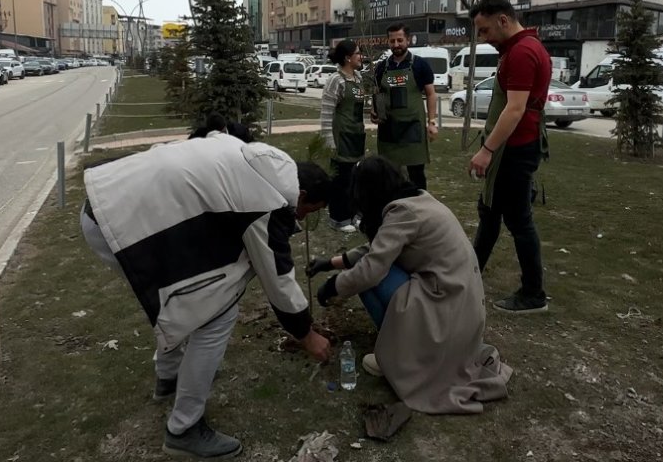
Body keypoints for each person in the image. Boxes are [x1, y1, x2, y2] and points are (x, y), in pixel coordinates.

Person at [80, 132, 333, 458]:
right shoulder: (267, 201)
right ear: (300, 194)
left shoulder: (251, 159)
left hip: (107, 201)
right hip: (120, 223)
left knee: (186, 296)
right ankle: (184, 428)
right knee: (215, 313)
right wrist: (306, 334)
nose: (303, 218)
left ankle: (168, 377)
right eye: (308, 210)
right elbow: (278, 278)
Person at [310, 156, 512, 414]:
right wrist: (329, 263)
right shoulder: (415, 199)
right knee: (372, 268)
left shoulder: (402, 212)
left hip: (447, 309)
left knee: (369, 278)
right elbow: (377, 248)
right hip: (460, 306)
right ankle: (405, 341)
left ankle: (403, 354)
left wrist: (332, 286)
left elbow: (371, 268)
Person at [467, 0, 552, 314]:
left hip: (514, 151)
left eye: (486, 30)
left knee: (518, 221)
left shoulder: (522, 52)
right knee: (490, 211)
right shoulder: (522, 48)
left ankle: (533, 293)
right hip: (514, 147)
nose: (484, 38)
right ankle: (470, 273)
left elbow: (515, 109)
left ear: (503, 20)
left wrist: (487, 151)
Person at [370, 24, 438, 190]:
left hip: (412, 128)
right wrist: (374, 111)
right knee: (389, 174)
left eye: (400, 40)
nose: (396, 44)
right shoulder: (381, 68)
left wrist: (432, 121)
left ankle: (420, 208)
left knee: (416, 174)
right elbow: (377, 94)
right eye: (392, 41)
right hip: (389, 128)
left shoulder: (420, 65)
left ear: (408, 40)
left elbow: (431, 94)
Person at [320, 39, 366, 234]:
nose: (361, 56)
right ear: (348, 58)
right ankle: (338, 218)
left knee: (355, 180)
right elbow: (326, 113)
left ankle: (354, 215)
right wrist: (328, 141)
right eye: (358, 53)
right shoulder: (335, 80)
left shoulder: (358, 79)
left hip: (356, 136)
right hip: (341, 138)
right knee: (341, 181)